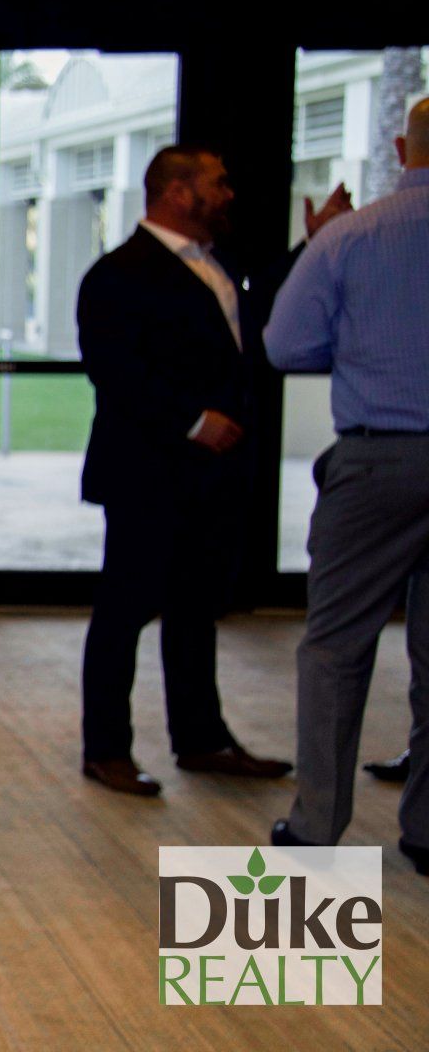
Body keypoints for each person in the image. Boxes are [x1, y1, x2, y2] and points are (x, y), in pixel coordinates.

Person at [74, 145, 300, 796]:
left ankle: (202, 739)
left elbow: (253, 321)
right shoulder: (118, 273)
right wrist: (194, 421)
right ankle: (106, 749)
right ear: (177, 191)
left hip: (214, 476)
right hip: (147, 473)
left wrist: (310, 248)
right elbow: (115, 371)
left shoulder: (216, 263)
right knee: (125, 610)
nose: (229, 194)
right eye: (217, 183)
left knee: (196, 610)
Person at [266, 95, 429, 874]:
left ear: (402, 148)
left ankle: (316, 829)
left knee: (336, 647)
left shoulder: (350, 236)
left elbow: (285, 346)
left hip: (376, 462)